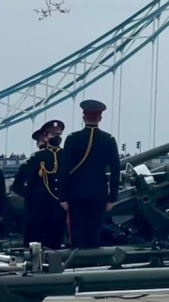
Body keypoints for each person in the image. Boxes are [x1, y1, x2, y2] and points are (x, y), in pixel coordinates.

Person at [57, 100, 120, 249]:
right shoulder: (108, 140)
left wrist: (63, 196)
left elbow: (64, 170)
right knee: (95, 231)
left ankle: (78, 265)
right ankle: (93, 263)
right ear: (100, 118)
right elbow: (115, 171)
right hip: (99, 194)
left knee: (77, 232)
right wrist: (112, 198)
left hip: (76, 194)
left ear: (83, 117)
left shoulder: (72, 139)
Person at [23, 120, 68, 249]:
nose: (57, 137)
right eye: (54, 134)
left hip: (58, 207)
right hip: (40, 207)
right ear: (46, 136)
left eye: (59, 134)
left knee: (55, 243)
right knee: (35, 243)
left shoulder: (66, 156)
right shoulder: (38, 157)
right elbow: (30, 184)